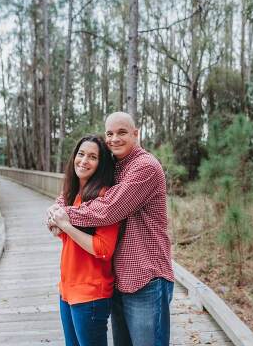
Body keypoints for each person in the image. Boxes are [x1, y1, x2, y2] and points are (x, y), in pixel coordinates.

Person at [48, 112, 174, 346]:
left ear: (136, 134)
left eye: (122, 132)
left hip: (146, 278)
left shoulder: (145, 166)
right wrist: (57, 209)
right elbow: (75, 189)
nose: (115, 138)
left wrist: (63, 218)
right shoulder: (114, 165)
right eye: (110, 134)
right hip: (119, 279)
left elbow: (109, 209)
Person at [49, 135, 121, 346]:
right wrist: (55, 224)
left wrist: (66, 226)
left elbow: (104, 248)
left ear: (101, 164)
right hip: (67, 289)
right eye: (81, 154)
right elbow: (63, 235)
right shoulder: (72, 193)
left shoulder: (104, 197)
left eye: (92, 157)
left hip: (90, 294)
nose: (84, 161)